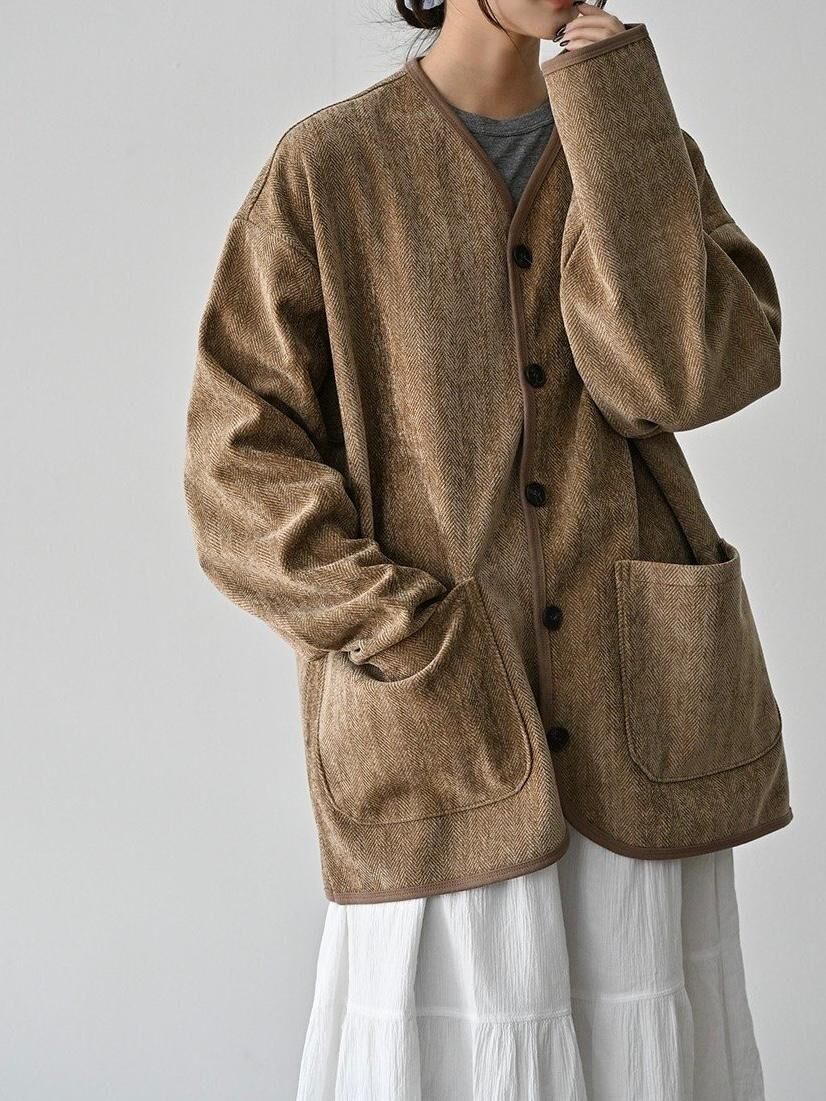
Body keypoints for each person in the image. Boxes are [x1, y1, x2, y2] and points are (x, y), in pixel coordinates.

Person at [184, 2, 792, 1096]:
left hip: (635, 710)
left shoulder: (635, 141)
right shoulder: (329, 167)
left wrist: (616, 117)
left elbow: (680, 379)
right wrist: (394, 624)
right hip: (441, 717)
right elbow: (237, 465)